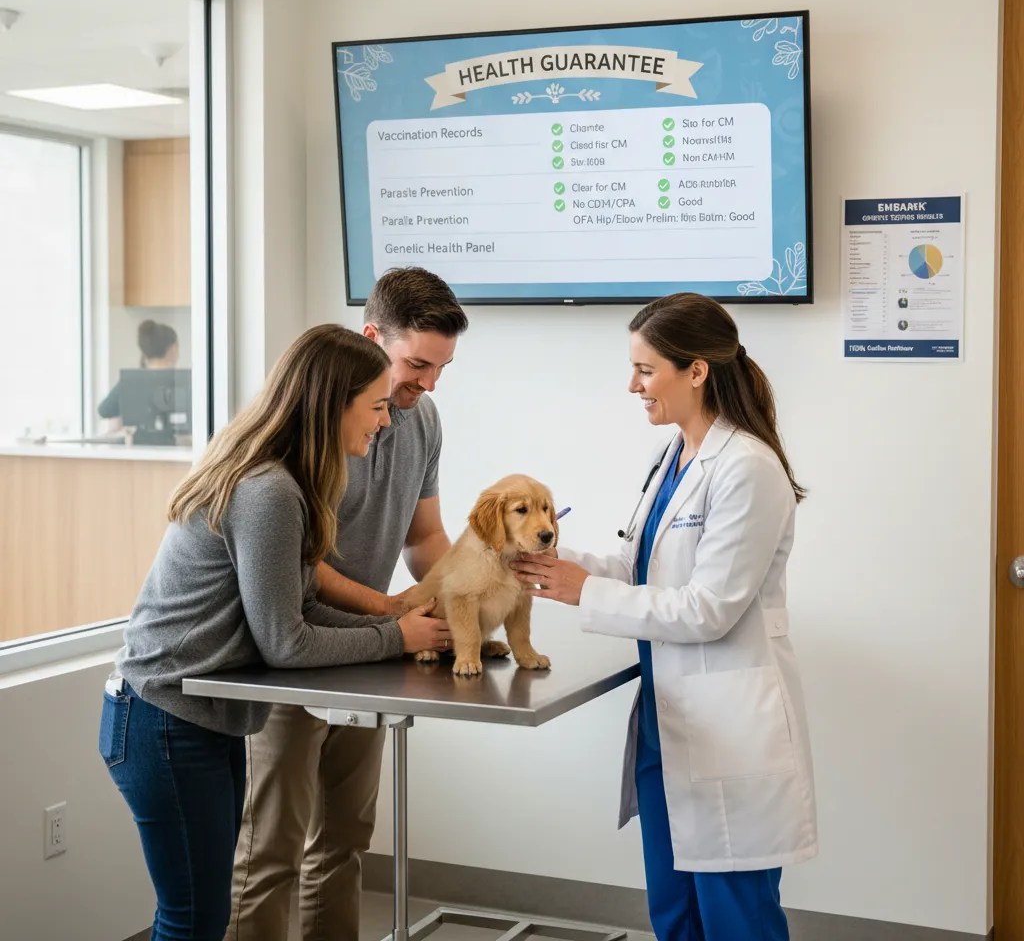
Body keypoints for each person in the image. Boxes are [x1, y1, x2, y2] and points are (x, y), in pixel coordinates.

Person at [97, 324, 452, 941]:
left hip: (201, 720)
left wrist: (395, 622)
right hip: (162, 720)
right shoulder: (268, 492)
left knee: (197, 918)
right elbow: (286, 642)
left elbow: (304, 605)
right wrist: (398, 637)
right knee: (191, 922)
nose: (384, 421)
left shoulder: (286, 484)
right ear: (330, 407)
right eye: (373, 407)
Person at [513, 293, 818, 941]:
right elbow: (638, 564)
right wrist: (550, 561)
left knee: (738, 922)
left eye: (645, 370)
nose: (632, 385)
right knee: (674, 916)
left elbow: (710, 608)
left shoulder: (747, 469)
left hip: (728, 731)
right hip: (666, 722)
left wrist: (583, 593)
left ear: (697, 370)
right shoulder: (673, 456)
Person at [228, 267, 469, 941]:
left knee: (344, 843)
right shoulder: (305, 432)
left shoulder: (424, 422)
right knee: (270, 849)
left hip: (368, 653)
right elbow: (303, 567)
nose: (429, 383)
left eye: (442, 367)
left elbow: (424, 537)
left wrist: (467, 597)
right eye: (418, 363)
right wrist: (394, 613)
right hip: (291, 651)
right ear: (372, 340)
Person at [97, 319, 180, 422]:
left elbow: (104, 410)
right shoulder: (181, 381)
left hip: (137, 438)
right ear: (172, 349)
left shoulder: (130, 381)